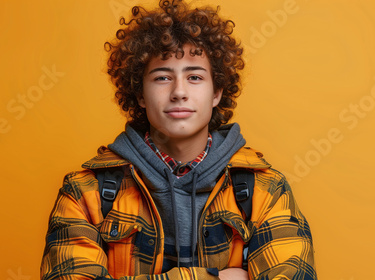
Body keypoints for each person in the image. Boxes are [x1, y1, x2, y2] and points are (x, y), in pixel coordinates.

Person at [40, 0, 316, 279]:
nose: (179, 92)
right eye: (162, 78)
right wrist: (218, 278)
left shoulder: (265, 189)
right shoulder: (85, 193)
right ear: (139, 94)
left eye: (194, 77)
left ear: (217, 92)